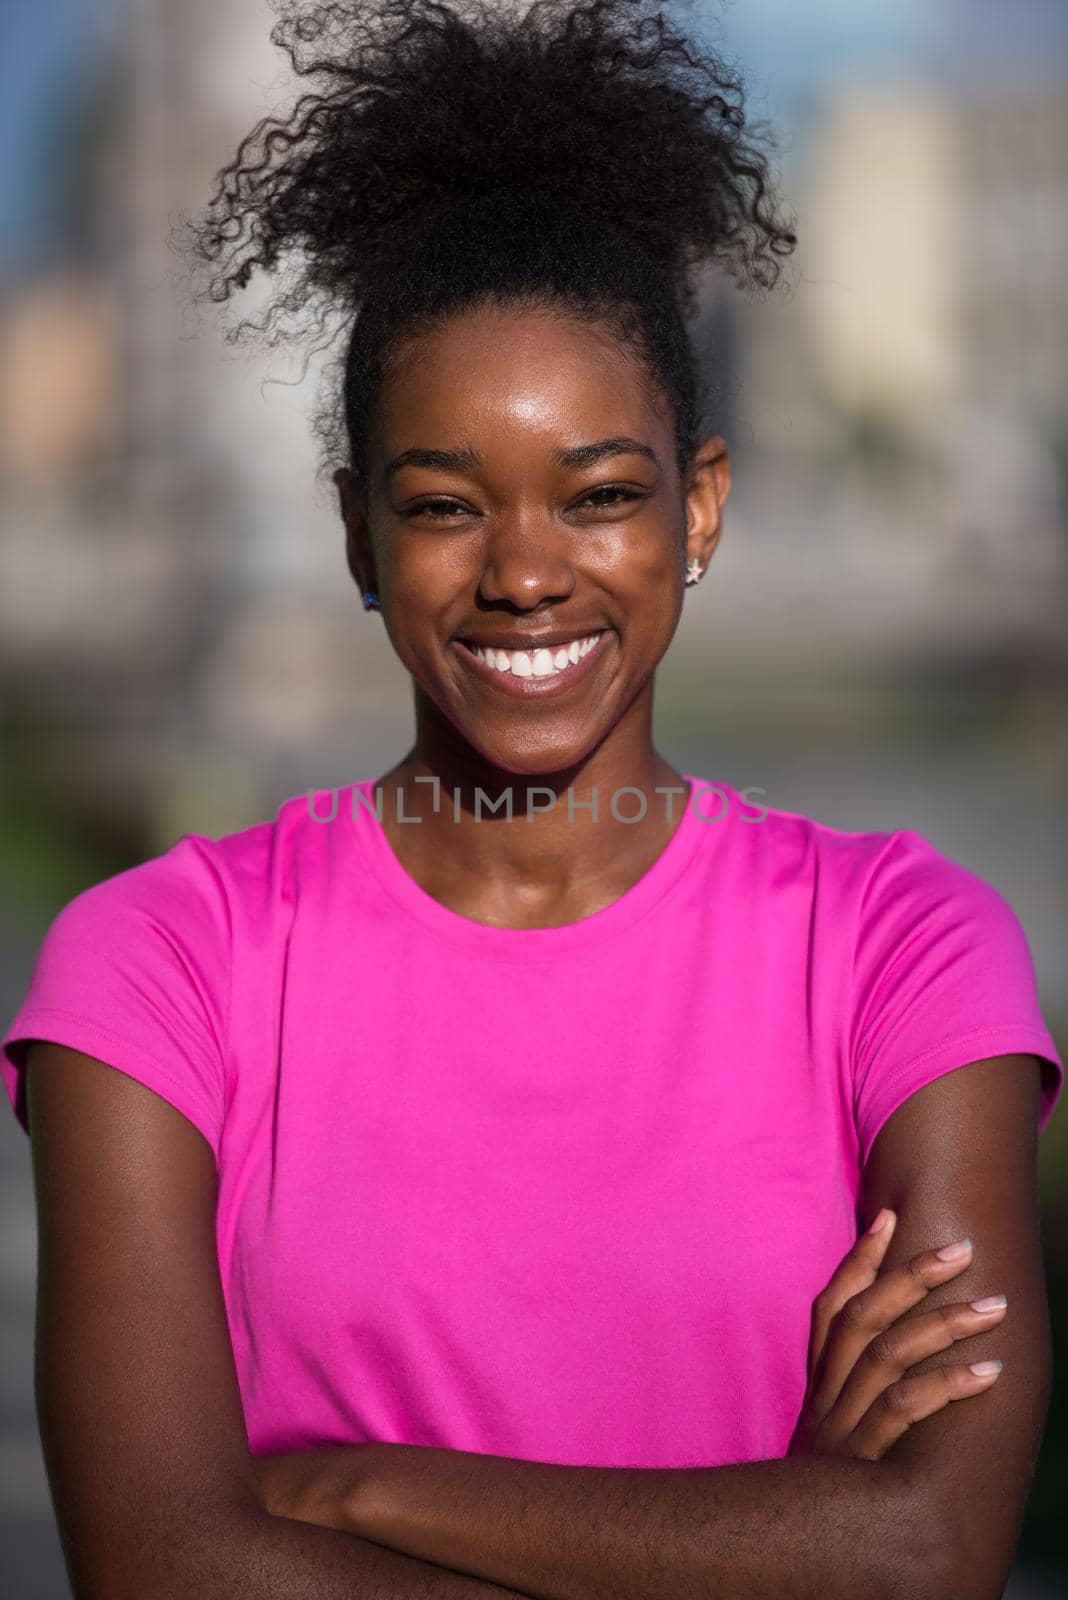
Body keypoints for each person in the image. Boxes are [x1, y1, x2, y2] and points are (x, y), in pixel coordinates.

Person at [2, 2, 1062, 1596]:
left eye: (601, 495)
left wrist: (350, 1491)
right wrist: (774, 1543)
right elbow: (163, 1569)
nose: (523, 572)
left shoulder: (904, 946)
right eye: (442, 505)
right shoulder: (159, 966)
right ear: (357, 532)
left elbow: (925, 1550)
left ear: (697, 507)